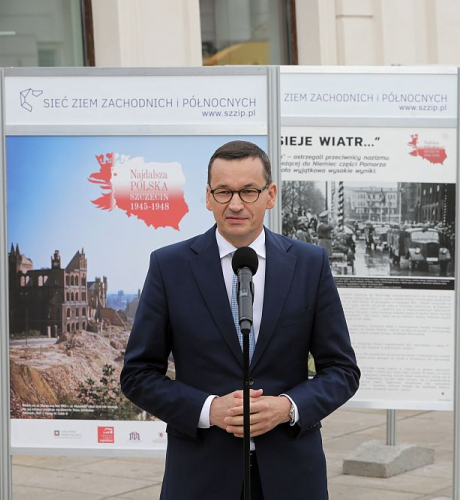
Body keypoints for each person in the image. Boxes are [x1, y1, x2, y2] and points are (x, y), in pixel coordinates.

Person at [120, 141, 360, 500]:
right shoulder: (169, 267)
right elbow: (137, 374)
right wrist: (208, 410)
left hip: (292, 476)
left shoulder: (310, 265)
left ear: (270, 194)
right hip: (201, 476)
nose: (235, 204)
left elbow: (342, 370)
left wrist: (287, 408)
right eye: (224, 191)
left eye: (248, 191)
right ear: (208, 197)